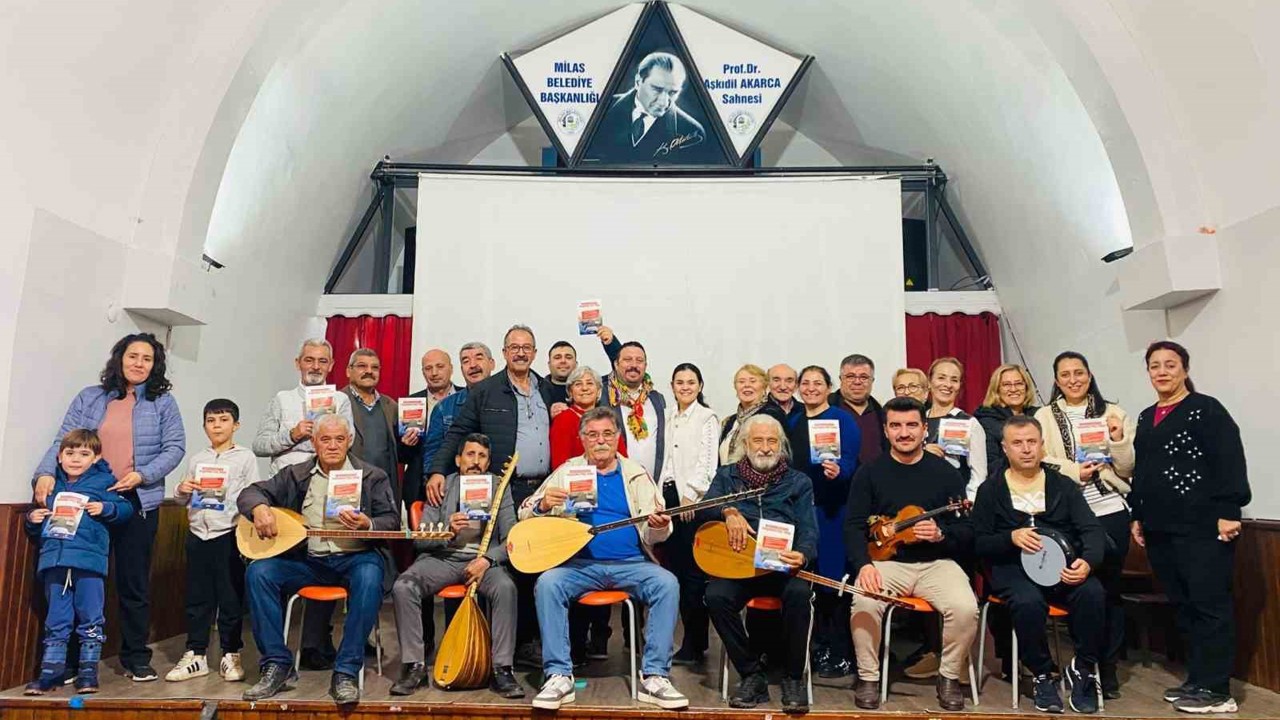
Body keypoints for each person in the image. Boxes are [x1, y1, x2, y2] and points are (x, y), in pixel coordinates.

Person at [33, 332, 185, 682]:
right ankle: (71, 663)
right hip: (85, 500)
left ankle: (135, 657)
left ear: (155, 365)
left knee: (133, 582)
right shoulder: (90, 398)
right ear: (120, 358)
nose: (139, 363)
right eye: (133, 356)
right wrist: (44, 474)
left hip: (136, 501)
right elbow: (63, 441)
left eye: (147, 359)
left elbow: (175, 447)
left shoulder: (163, 402)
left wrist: (142, 475)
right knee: (77, 578)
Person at [521, 408, 688, 710]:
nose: (601, 441)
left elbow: (655, 534)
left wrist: (659, 526)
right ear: (582, 439)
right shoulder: (567, 471)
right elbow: (526, 512)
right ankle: (559, 674)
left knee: (667, 583)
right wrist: (543, 505)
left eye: (607, 434)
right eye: (593, 435)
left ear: (617, 438)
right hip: (580, 566)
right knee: (548, 583)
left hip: (633, 564)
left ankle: (655, 675)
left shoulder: (636, 473)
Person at [239, 414, 399, 705]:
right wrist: (260, 507)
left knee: (370, 576)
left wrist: (369, 524)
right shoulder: (296, 473)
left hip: (355, 558)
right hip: (307, 560)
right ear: (314, 443)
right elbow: (250, 492)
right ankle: (277, 664)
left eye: (340, 439)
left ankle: (346, 671)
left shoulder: (372, 476)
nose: (333, 445)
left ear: (349, 441)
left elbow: (392, 521)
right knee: (259, 572)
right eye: (325, 439)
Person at [1131, 341, 1250, 714]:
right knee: (1183, 606)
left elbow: (1229, 458)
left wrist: (1231, 509)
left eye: (1170, 364)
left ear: (1184, 369)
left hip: (1201, 526)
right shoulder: (1146, 416)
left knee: (1209, 605)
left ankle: (1218, 690)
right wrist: (1138, 514)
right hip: (1160, 528)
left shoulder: (1206, 409)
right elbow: (1143, 472)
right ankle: (1198, 679)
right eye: (1154, 366)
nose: (1162, 371)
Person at [426, 325, 553, 668]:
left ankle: (526, 644)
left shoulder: (546, 389)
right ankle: (477, 648)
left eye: (527, 347)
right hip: (500, 490)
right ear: (505, 352)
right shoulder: (485, 390)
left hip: (540, 489)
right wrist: (438, 470)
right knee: (496, 561)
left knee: (532, 565)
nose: (521, 353)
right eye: (514, 347)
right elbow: (457, 434)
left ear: (535, 352)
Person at [847, 397, 977, 711]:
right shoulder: (870, 472)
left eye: (911, 425)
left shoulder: (946, 473)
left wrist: (941, 534)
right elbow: (852, 526)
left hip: (937, 563)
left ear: (924, 430)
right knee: (863, 600)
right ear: (886, 430)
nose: (904, 433)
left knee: (965, 608)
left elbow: (968, 531)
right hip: (888, 563)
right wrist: (864, 565)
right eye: (896, 426)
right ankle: (868, 677)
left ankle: (948, 677)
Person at [972, 414, 1107, 714]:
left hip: (1062, 568)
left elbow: (1091, 530)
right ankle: (1043, 674)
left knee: (1093, 593)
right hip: (1012, 571)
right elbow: (977, 542)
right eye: (1017, 443)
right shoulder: (990, 490)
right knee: (1028, 602)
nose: (1026, 449)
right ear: (1005, 448)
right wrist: (1010, 537)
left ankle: (1083, 668)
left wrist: (1087, 562)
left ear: (1042, 446)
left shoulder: (1063, 486)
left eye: (1032, 442)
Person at [1032, 351, 1135, 698]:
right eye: (1065, 374)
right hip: (1068, 511)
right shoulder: (1044, 415)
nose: (1073, 379)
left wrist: (1118, 439)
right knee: (1082, 588)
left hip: (1110, 506)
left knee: (1109, 589)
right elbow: (1039, 458)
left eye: (1079, 373)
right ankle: (1083, 663)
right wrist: (1075, 471)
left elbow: (1128, 467)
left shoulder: (1114, 412)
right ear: (1056, 380)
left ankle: (1107, 667)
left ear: (1089, 376)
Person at [390, 433, 523, 699]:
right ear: (458, 459)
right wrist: (447, 531)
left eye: (482, 456)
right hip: (442, 558)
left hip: (484, 562)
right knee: (403, 586)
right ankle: (414, 666)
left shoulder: (499, 486)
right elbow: (421, 541)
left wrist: (486, 560)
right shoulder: (441, 485)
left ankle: (502, 669)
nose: (475, 461)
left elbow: (511, 537)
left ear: (488, 462)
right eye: (470, 455)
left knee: (506, 588)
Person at [702, 415, 817, 712]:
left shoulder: (798, 481)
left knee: (799, 594)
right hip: (740, 566)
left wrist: (802, 554)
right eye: (758, 440)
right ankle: (752, 674)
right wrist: (727, 510)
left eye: (772, 441)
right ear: (744, 444)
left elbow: (809, 528)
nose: (765, 448)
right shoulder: (727, 476)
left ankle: (793, 678)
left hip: (783, 567)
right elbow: (703, 509)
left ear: (781, 446)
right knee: (715, 596)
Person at [24, 430, 133, 695]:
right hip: (55, 562)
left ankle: (87, 673)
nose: (75, 459)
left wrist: (106, 509)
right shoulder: (51, 485)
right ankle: (50, 673)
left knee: (91, 617)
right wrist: (32, 520)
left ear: (96, 458)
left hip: (88, 564)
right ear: (59, 457)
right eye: (69, 453)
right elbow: (37, 527)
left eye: (84, 454)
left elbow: (125, 509)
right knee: (56, 618)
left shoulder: (104, 482)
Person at [165, 399, 259, 684]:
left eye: (223, 420)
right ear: (204, 425)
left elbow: (252, 494)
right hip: (197, 534)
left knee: (230, 597)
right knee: (197, 597)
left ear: (236, 425)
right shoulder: (197, 459)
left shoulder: (245, 458)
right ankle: (196, 654)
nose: (217, 425)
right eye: (211, 420)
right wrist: (181, 489)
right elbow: (182, 499)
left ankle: (231, 653)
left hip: (227, 534)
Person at [786, 365, 860, 678]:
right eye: (806, 383)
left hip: (832, 512)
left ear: (829, 387)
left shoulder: (843, 419)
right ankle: (812, 650)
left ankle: (840, 652)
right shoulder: (794, 421)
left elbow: (852, 460)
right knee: (805, 583)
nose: (811, 388)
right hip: (801, 513)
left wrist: (838, 470)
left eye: (818, 383)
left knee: (834, 584)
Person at [658, 363, 719, 665]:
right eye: (679, 382)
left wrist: (691, 496)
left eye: (691, 382)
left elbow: (709, 464)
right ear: (672, 385)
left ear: (700, 385)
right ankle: (684, 641)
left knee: (694, 575)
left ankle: (696, 644)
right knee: (675, 571)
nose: (685, 387)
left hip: (691, 500)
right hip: (666, 496)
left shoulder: (707, 418)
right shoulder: (668, 416)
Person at [252, 338, 355, 474]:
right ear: (298, 363)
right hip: (286, 483)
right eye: (309, 360)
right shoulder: (282, 399)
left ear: (330, 365)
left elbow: (349, 441)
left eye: (322, 361)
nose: (316, 367)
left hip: (326, 479)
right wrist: (292, 435)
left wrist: (326, 433)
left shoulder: (341, 400)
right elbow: (259, 446)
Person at [593, 52, 710, 163]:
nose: (663, 102)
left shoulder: (692, 132)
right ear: (638, 82)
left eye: (673, 93)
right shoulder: (600, 110)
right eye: (657, 89)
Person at [343, 348, 417, 507]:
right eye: (362, 366)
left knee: (384, 531)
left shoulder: (391, 406)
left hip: (385, 489)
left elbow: (402, 455)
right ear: (349, 371)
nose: (369, 371)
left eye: (375, 367)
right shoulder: (337, 402)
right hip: (347, 488)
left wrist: (407, 443)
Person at [419, 341, 496, 481]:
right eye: (466, 361)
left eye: (479, 358)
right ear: (461, 369)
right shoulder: (444, 407)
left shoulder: (507, 402)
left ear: (492, 364)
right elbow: (432, 454)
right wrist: (432, 479)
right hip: (454, 489)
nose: (473, 365)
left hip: (498, 485)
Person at [403, 348, 463, 506]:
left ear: (451, 368)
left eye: (440, 366)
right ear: (423, 372)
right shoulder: (410, 403)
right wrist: (406, 444)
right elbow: (400, 455)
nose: (434, 373)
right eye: (428, 368)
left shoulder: (467, 397)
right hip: (418, 486)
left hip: (458, 481)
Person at [924, 357, 988, 501]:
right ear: (929, 382)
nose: (947, 384)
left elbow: (979, 475)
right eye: (941, 378)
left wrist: (969, 502)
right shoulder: (916, 420)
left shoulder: (969, 423)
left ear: (960, 386)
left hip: (955, 504)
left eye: (954, 380)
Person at [601, 340, 667, 480]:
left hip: (652, 485)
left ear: (645, 366)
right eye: (627, 360)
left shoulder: (657, 399)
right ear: (616, 365)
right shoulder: (604, 397)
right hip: (616, 482)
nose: (633, 365)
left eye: (639, 360)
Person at [550, 365, 627, 469]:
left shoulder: (609, 418)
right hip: (577, 481)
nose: (585, 388)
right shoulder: (563, 419)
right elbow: (560, 465)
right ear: (570, 392)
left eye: (590, 383)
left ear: (599, 391)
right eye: (578, 384)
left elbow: (622, 458)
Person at [719, 364, 789, 465]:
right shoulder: (730, 421)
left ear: (764, 386)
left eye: (753, 381)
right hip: (728, 478)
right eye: (741, 381)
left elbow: (782, 456)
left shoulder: (773, 415)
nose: (746, 385)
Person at [831, 354, 888, 464]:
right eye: (850, 376)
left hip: (876, 477)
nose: (857, 382)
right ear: (840, 379)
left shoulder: (882, 413)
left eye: (864, 377)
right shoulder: (826, 409)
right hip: (838, 478)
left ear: (872, 380)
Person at [546, 340, 579, 409]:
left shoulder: (587, 390)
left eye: (568, 357)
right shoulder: (538, 391)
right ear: (549, 364)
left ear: (576, 364)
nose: (563, 361)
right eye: (557, 357)